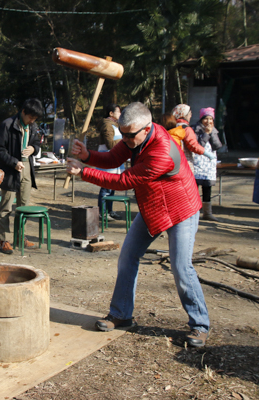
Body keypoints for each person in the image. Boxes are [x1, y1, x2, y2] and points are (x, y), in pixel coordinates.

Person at [66, 102, 210, 348]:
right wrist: (87, 156)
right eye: (124, 135)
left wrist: (84, 172)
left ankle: (200, 324)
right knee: (128, 257)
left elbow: (124, 180)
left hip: (181, 209)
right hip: (154, 206)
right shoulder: (136, 137)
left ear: (147, 127)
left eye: (130, 135)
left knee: (180, 267)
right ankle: (121, 314)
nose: (126, 139)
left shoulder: (162, 150)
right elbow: (113, 157)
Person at [0, 98, 43, 254]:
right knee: (6, 206)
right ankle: (4, 240)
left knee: (24, 205)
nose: (32, 121)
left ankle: (21, 236)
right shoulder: (7, 124)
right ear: (23, 112)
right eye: (30, 117)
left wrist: (33, 149)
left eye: (35, 119)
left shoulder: (33, 125)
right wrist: (14, 162)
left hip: (27, 166)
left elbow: (37, 142)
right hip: (10, 168)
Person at [193, 107, 222, 221]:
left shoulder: (214, 130)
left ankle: (207, 213)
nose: (208, 121)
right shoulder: (195, 129)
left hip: (208, 165)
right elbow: (198, 145)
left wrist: (211, 134)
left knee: (207, 188)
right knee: (194, 189)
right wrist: (205, 134)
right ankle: (193, 213)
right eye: (206, 118)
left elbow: (217, 146)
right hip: (197, 163)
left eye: (211, 119)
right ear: (201, 119)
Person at [96, 104, 123, 222]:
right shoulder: (107, 125)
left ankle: (109, 211)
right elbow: (110, 144)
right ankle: (102, 212)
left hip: (114, 160)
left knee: (112, 187)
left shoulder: (116, 125)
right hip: (107, 159)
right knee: (106, 187)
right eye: (119, 112)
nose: (120, 114)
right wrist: (124, 141)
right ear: (111, 113)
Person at [171, 104, 214, 173]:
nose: (190, 116)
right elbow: (193, 145)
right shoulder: (186, 129)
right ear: (184, 115)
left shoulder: (172, 126)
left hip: (173, 162)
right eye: (190, 114)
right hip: (185, 163)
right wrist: (206, 153)